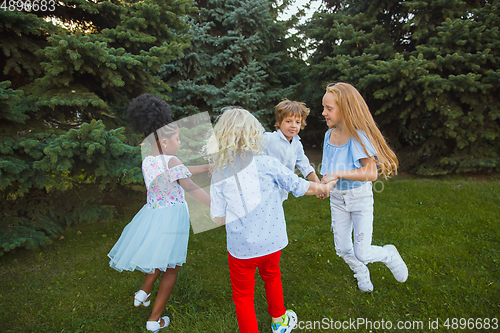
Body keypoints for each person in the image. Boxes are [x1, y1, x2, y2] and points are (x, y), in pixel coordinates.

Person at [205, 107, 336, 333]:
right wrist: (324, 186)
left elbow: (217, 218)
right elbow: (300, 187)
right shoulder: (268, 164)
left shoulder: (219, 172)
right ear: (255, 133)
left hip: (241, 249)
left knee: (243, 296)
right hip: (272, 242)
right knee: (273, 277)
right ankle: (279, 322)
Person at [107, 94, 210, 332]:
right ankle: (154, 320)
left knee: (157, 256)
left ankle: (143, 292)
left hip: (154, 215)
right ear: (164, 141)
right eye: (177, 138)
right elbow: (190, 187)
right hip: (173, 217)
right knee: (171, 268)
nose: (180, 142)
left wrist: (205, 166)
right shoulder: (171, 160)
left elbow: (178, 170)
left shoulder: (150, 160)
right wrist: (216, 207)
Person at [319, 82, 408, 292]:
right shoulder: (328, 136)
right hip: (338, 200)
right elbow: (328, 168)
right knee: (341, 249)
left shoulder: (358, 137)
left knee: (363, 252)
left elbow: (371, 173)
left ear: (345, 109)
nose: (323, 113)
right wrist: (325, 185)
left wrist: (339, 173)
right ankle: (361, 272)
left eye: (329, 108)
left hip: (359, 200)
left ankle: (389, 255)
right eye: (324, 107)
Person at [264, 99, 320, 202]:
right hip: (264, 191)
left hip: (281, 193)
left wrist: (319, 186)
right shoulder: (268, 139)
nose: (293, 125)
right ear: (279, 123)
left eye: (297, 122)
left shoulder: (297, 144)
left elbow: (305, 166)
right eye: (288, 121)